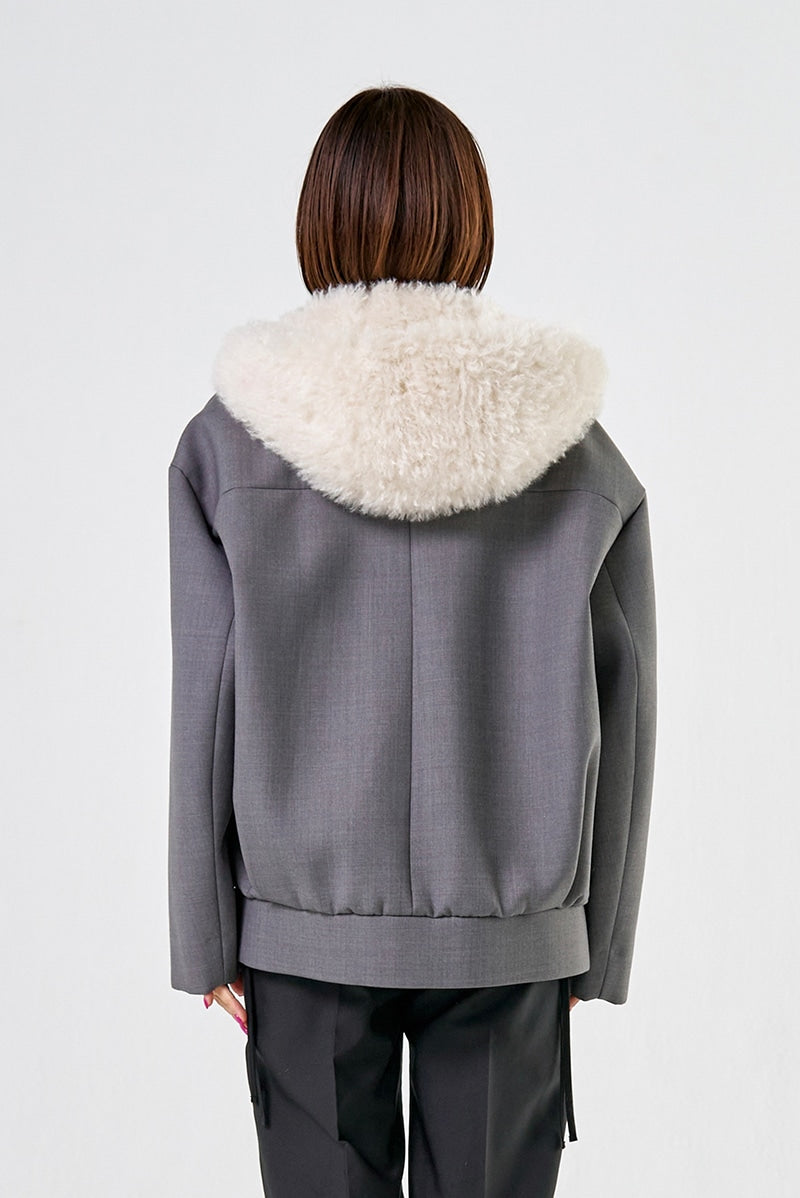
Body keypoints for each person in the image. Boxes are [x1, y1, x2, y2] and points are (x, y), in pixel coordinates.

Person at [167, 84, 658, 1198]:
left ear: (317, 220)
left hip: (301, 941)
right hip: (512, 939)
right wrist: (597, 940)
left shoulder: (229, 443)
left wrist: (204, 934)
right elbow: (626, 702)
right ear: (470, 221)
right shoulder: (576, 450)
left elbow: (206, 692)